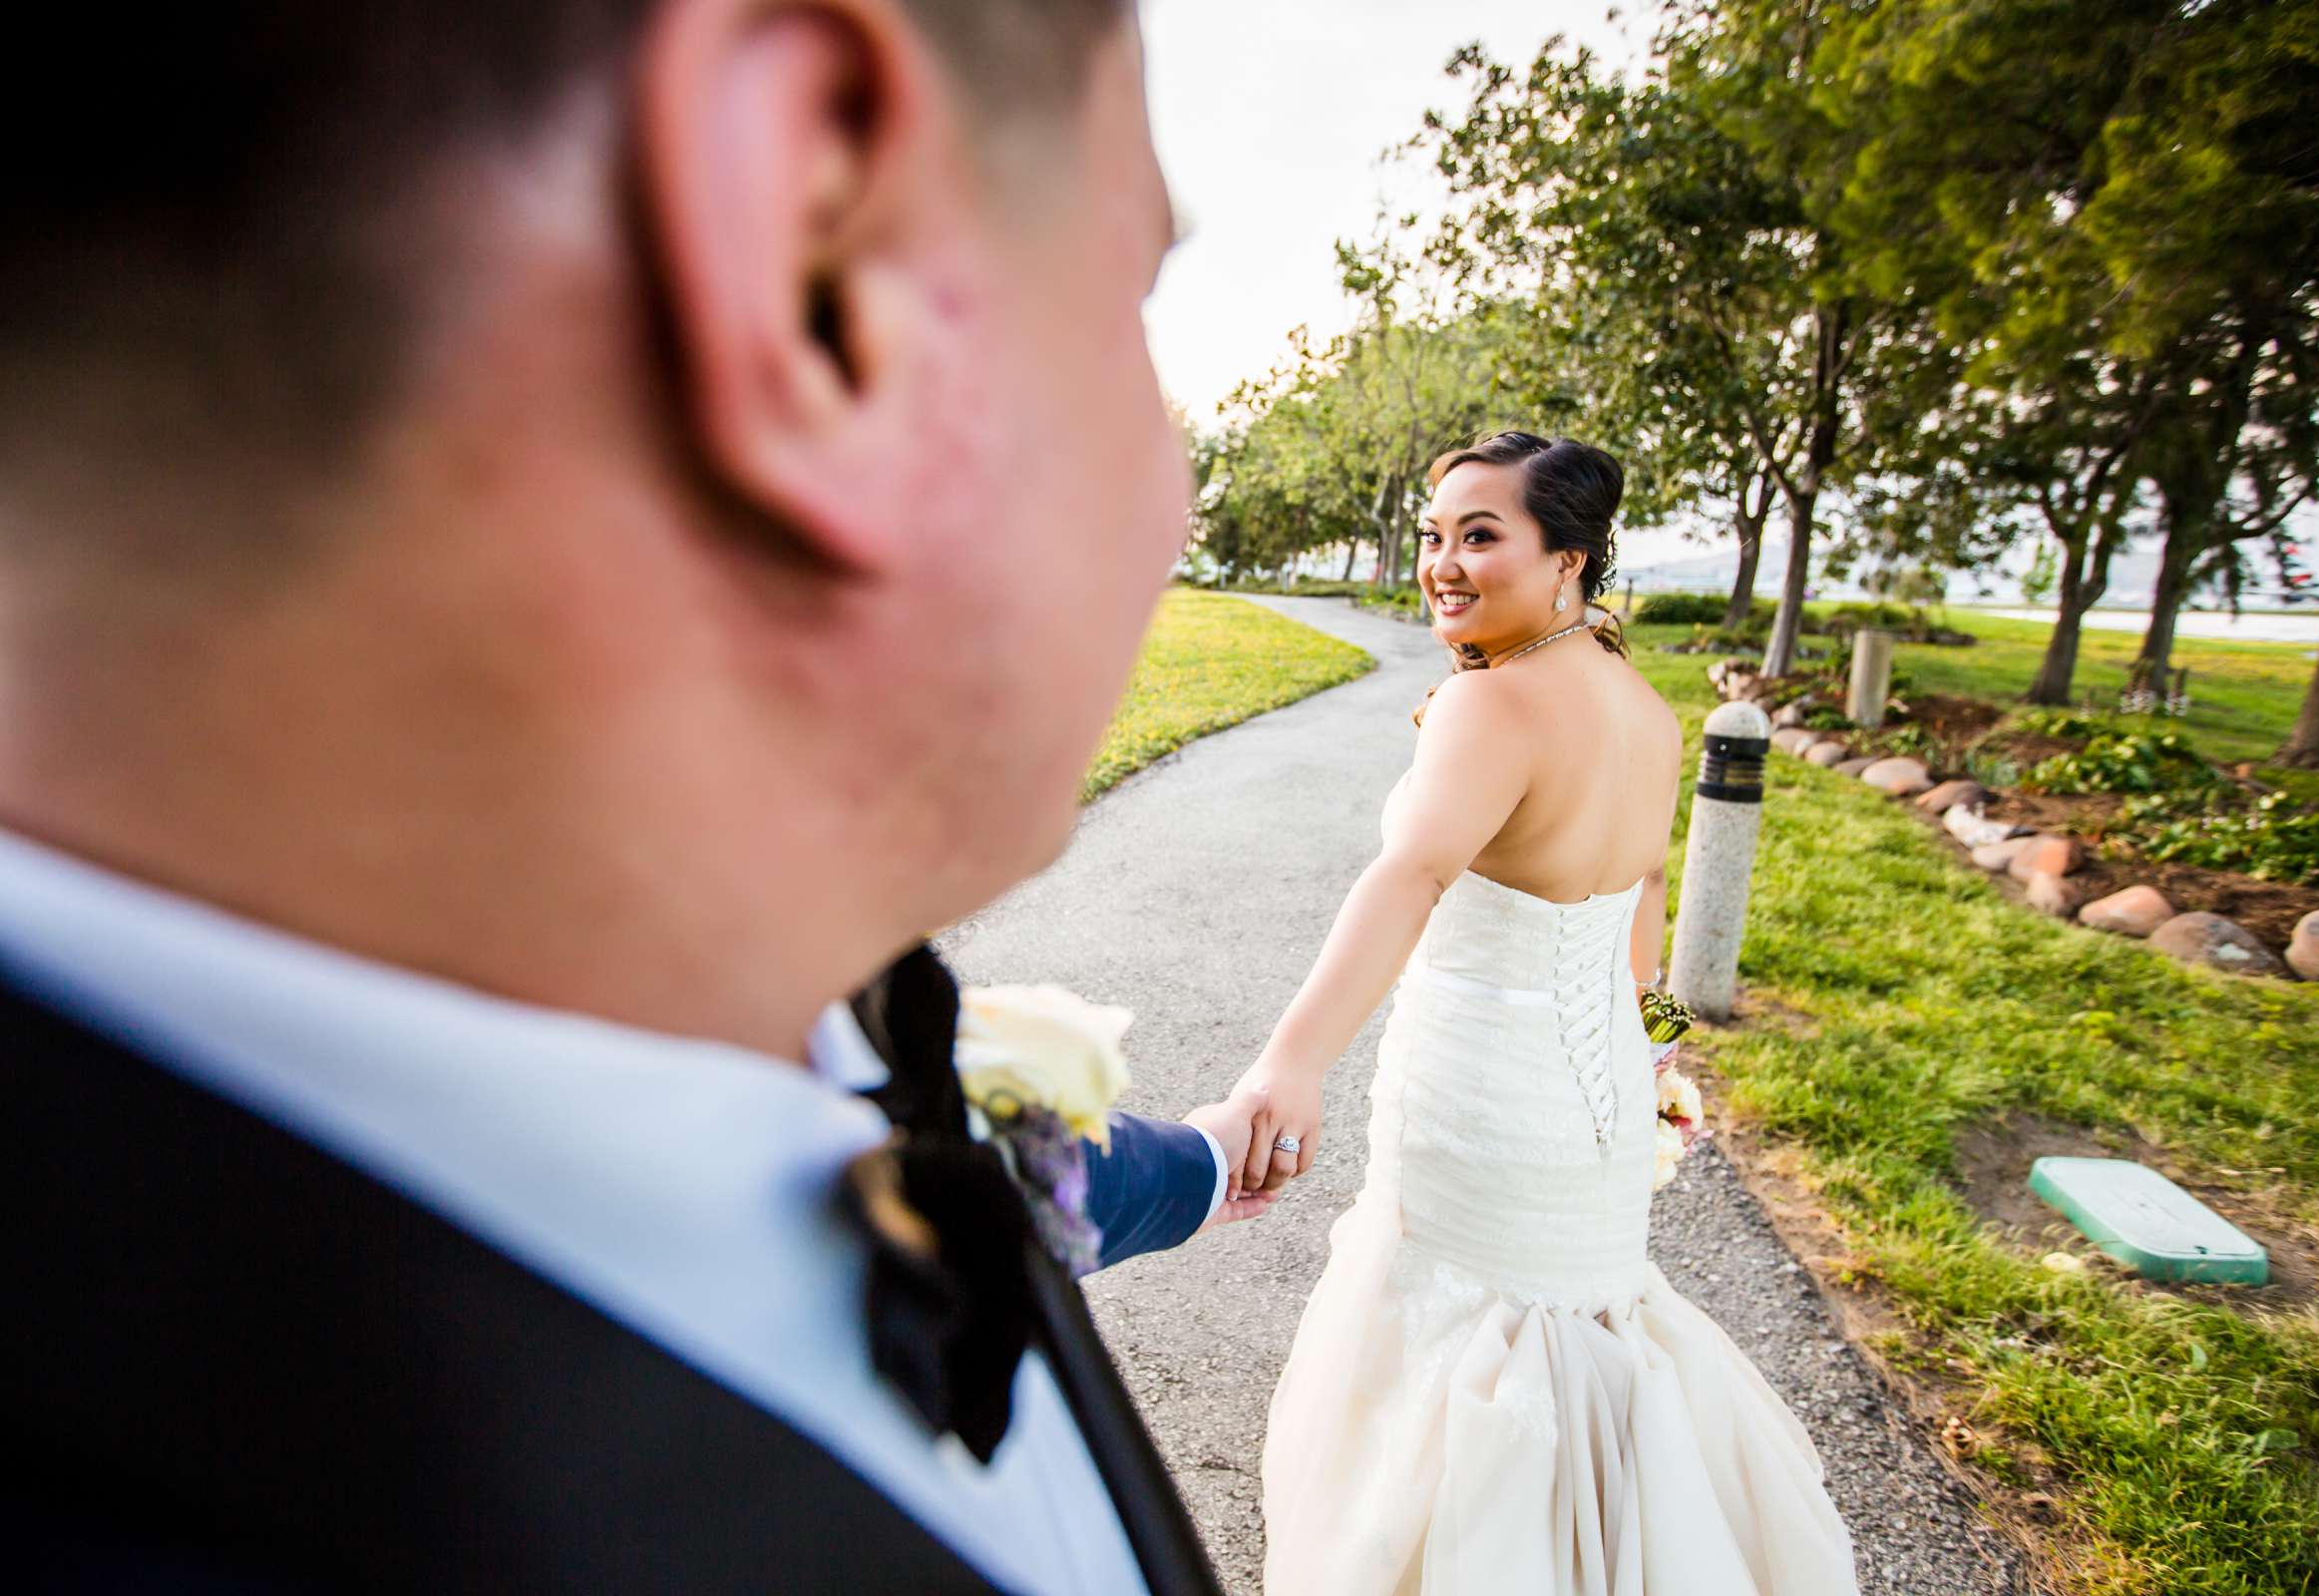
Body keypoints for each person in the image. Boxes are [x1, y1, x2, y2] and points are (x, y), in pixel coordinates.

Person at [0, 1, 1255, 1591]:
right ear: (824, 277)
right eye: (1133, 290)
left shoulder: (744, 959)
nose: (1177, 488)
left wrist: (1207, 1159)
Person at [1234, 433, 1860, 1594]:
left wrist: (1292, 1060)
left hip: (1483, 1110)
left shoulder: (1497, 705)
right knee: (1575, 1342)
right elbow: (1646, 903)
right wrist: (1658, 1056)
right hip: (1602, 1109)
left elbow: (1411, 879)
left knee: (1455, 1354)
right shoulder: (1646, 710)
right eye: (1435, 536)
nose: (1443, 564)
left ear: (1568, 558)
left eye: (1482, 536)